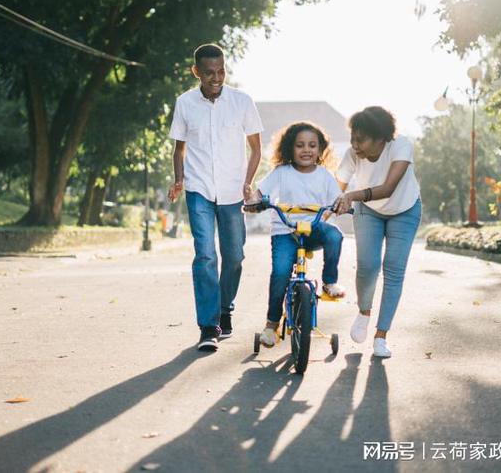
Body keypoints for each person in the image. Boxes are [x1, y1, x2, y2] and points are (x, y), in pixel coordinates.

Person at [167, 43, 263, 352]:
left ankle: (225, 309)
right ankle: (208, 326)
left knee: (234, 256)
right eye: (209, 73)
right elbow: (179, 148)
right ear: (196, 72)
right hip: (198, 190)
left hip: (233, 192)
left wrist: (248, 183)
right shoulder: (185, 103)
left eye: (221, 71)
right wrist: (179, 179)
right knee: (206, 255)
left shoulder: (242, 101)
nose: (216, 78)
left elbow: (256, 148)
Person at [334, 106, 422, 358]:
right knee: (368, 266)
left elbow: (388, 188)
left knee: (393, 270)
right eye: (353, 138)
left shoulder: (401, 146)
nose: (355, 145)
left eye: (361, 139)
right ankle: (364, 311)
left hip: (404, 209)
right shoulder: (353, 154)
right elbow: (335, 188)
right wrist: (323, 210)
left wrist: (351, 195)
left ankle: (381, 336)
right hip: (368, 211)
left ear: (381, 137)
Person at [250, 122, 346, 347]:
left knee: (335, 236)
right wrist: (255, 201)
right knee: (281, 273)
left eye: (312, 145)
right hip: (285, 231)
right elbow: (260, 192)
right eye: (300, 145)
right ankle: (271, 326)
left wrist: (342, 204)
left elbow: (336, 199)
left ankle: (329, 282)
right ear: (289, 149)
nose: (306, 150)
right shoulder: (281, 173)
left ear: (320, 149)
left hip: (313, 229)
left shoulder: (324, 175)